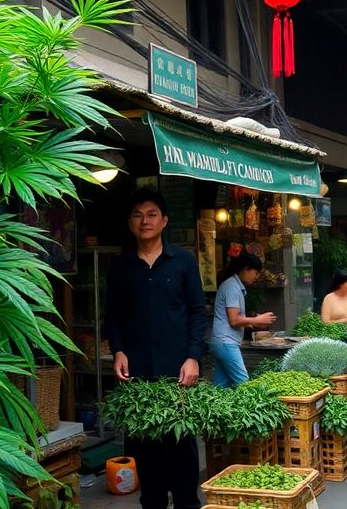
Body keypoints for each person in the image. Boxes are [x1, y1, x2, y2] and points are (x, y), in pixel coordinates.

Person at [106, 188, 206, 509]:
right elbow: (114, 314)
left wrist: (193, 356)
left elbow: (197, 311)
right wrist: (118, 350)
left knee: (182, 452)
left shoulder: (183, 262)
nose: (144, 221)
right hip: (138, 380)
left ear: (164, 221)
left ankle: (187, 503)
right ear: (130, 223)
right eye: (138, 215)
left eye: (151, 215)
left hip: (178, 376)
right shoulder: (121, 267)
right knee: (145, 457)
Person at [210, 252, 276, 387]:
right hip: (226, 343)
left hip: (221, 342)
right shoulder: (232, 287)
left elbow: (234, 319)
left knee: (221, 387)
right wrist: (257, 320)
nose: (256, 277)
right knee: (244, 385)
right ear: (246, 269)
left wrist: (254, 322)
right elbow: (234, 320)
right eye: (256, 273)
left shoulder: (235, 286)